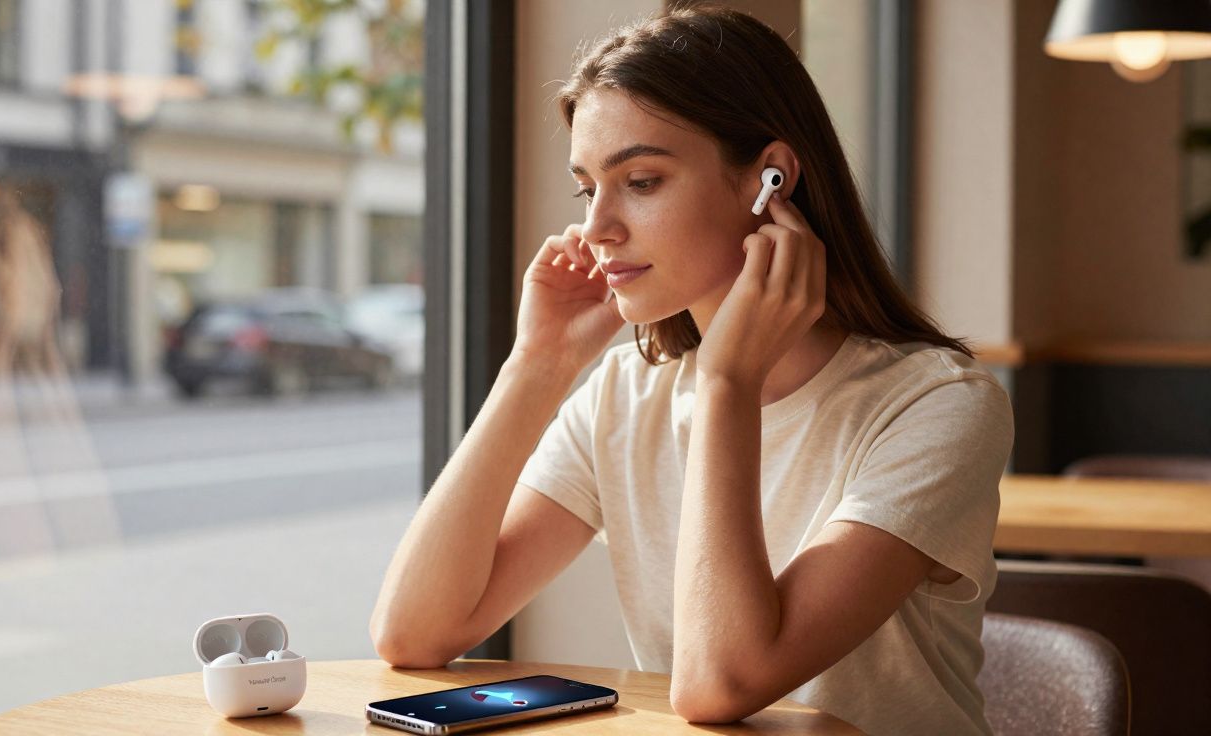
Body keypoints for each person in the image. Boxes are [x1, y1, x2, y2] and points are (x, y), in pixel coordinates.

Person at [370, 5, 1013, 735]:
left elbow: (722, 683)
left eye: (640, 180)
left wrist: (727, 383)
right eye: (588, 188)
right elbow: (413, 633)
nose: (597, 227)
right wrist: (537, 366)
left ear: (770, 179)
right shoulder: (625, 394)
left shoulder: (936, 406)